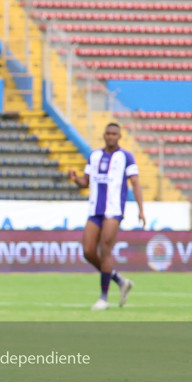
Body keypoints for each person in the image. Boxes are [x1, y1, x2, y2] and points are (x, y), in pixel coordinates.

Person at [69, 122, 145, 310]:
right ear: (104, 135)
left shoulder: (126, 157)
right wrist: (75, 179)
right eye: (108, 133)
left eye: (114, 134)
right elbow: (85, 182)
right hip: (95, 210)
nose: (111, 136)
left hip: (113, 211)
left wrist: (140, 209)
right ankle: (120, 281)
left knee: (105, 250)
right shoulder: (94, 156)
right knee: (88, 251)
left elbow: (135, 182)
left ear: (119, 137)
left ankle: (103, 298)